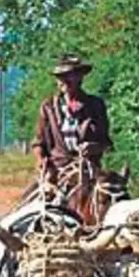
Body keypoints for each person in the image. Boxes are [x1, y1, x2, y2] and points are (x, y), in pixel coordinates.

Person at [33, 54, 112, 188]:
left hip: (89, 171)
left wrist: (93, 147)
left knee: (115, 194)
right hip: (57, 172)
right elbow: (38, 143)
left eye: (69, 75)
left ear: (80, 77)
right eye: (60, 77)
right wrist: (42, 161)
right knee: (30, 199)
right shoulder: (48, 107)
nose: (64, 80)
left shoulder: (96, 105)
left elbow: (105, 143)